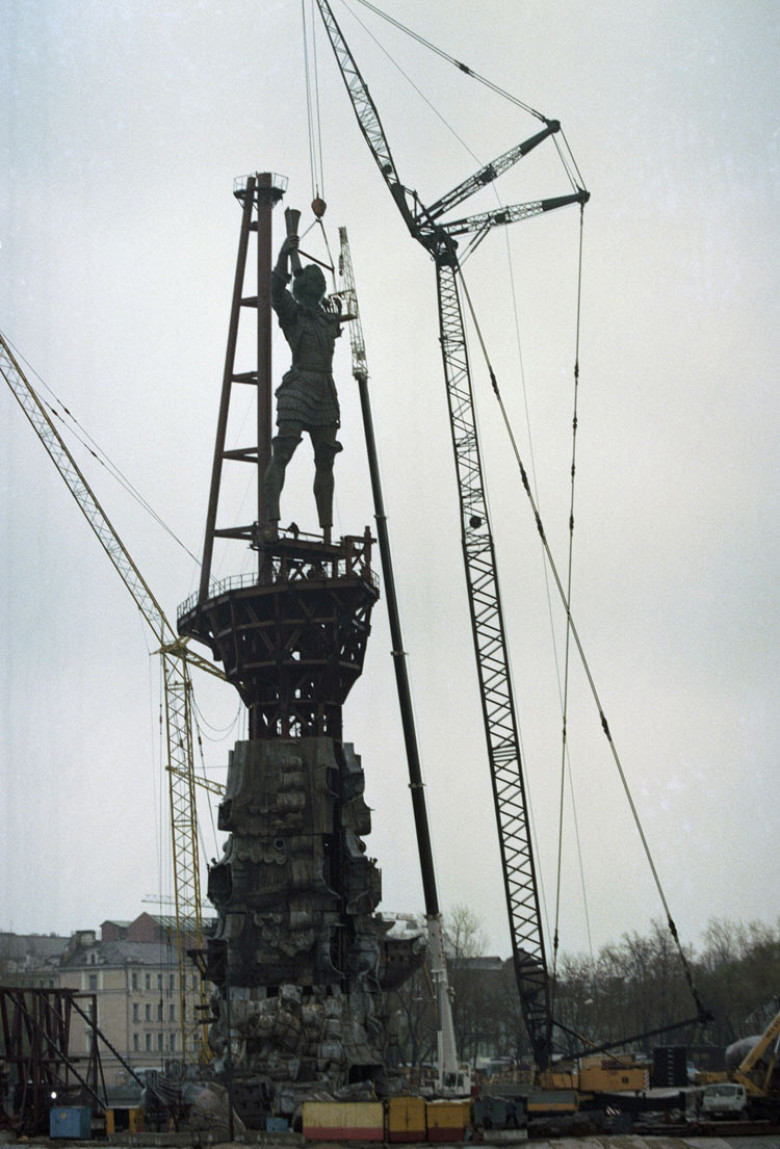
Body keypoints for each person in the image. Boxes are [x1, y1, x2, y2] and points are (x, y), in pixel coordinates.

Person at [263, 233, 342, 542]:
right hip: (297, 389)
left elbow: (328, 307)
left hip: (325, 390)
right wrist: (284, 253)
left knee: (325, 460)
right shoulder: (293, 315)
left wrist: (293, 259)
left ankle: (326, 531)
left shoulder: (326, 319)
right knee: (283, 451)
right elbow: (275, 289)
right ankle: (272, 520)